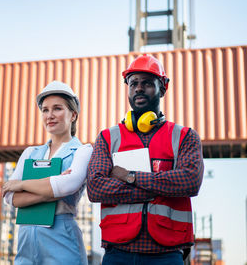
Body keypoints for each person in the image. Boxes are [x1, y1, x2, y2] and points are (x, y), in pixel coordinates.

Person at [87, 54, 204, 265]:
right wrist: (161, 187)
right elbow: (95, 188)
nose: (139, 88)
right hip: (118, 253)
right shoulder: (107, 137)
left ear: (163, 87)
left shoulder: (184, 136)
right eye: (133, 84)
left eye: (147, 83)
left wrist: (130, 177)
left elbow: (190, 182)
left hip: (167, 253)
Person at [2, 80, 92, 265]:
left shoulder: (83, 151)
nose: (50, 115)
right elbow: (11, 197)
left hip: (61, 239)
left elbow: (69, 184)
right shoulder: (30, 153)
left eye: (57, 108)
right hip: (26, 240)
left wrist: (22, 184)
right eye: (45, 110)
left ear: (73, 114)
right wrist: (53, 191)